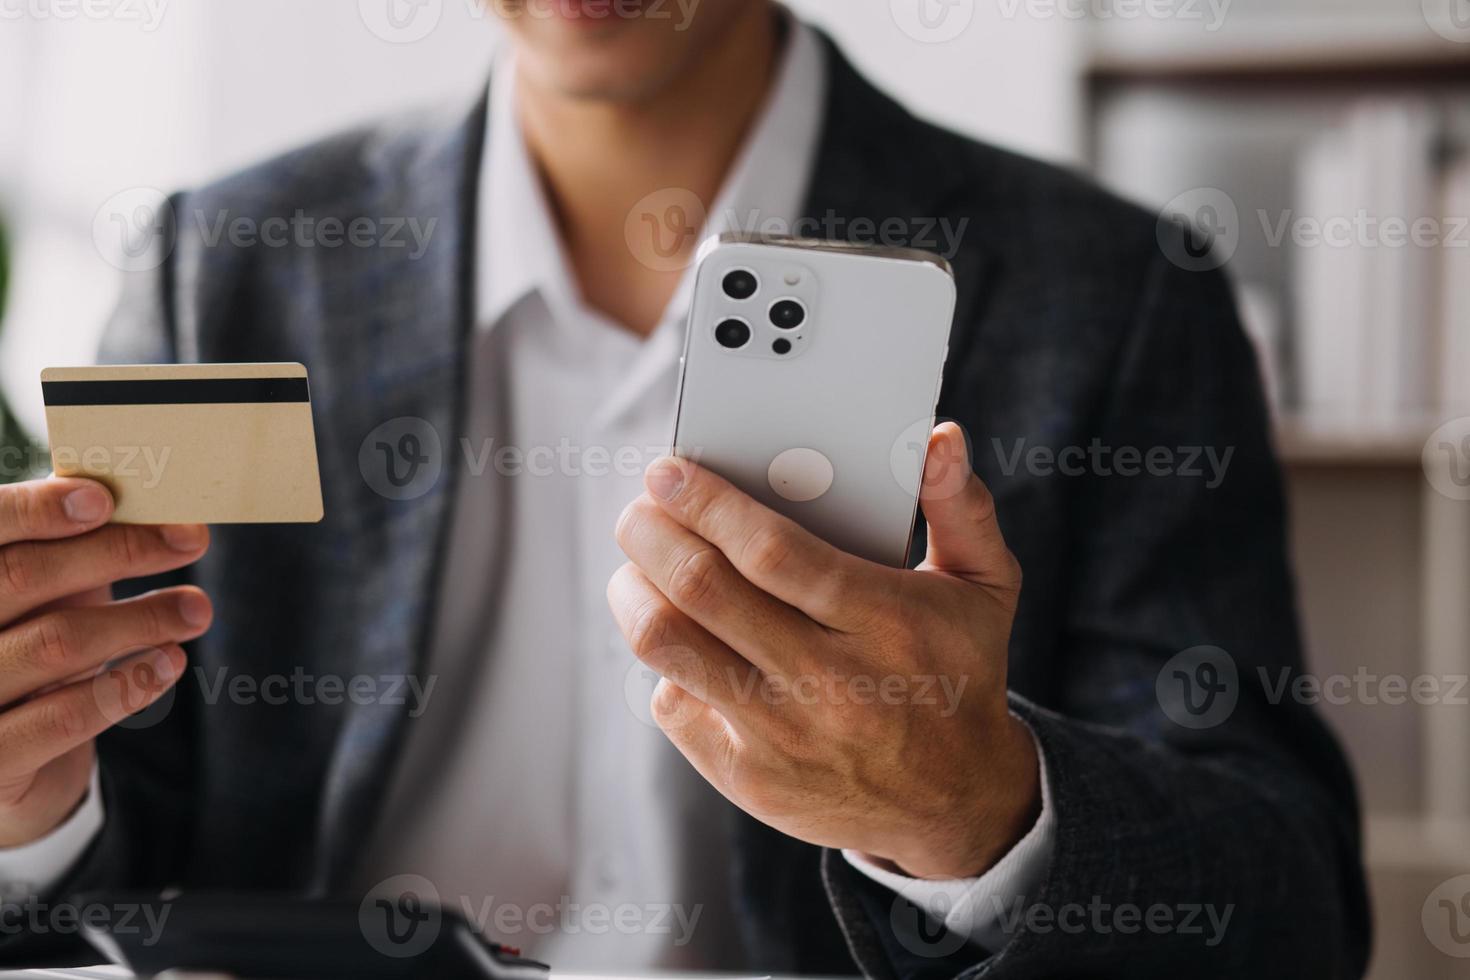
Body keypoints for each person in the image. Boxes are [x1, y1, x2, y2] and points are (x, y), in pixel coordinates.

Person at [0, 1, 1369, 976]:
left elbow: (1291, 906)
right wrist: (24, 807)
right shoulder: (225, 262)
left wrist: (976, 813)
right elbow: (116, 856)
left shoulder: (1113, 289)